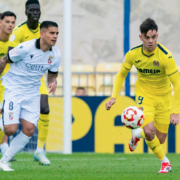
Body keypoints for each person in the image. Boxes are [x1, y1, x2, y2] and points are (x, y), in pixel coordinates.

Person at [106, 18, 180, 173]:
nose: (151, 41)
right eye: (147, 38)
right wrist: (113, 97)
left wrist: (176, 111)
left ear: (157, 36)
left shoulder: (166, 56)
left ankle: (135, 134)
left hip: (164, 98)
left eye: (154, 37)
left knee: (159, 139)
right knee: (149, 132)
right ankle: (165, 162)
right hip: (144, 96)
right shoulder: (133, 54)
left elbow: (177, 84)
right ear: (141, 38)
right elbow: (121, 75)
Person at [0, 21, 60, 171]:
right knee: (10, 130)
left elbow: (52, 75)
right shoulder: (25, 48)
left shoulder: (56, 54)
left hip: (33, 93)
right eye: (51, 33)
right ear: (42, 34)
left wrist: (53, 82)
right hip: (14, 89)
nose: (55, 36)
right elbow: (4, 59)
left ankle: (4, 160)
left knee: (29, 129)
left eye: (57, 33)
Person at [8, 0, 51, 165]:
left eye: (37, 10)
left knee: (45, 108)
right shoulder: (19, 31)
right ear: (26, 12)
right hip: (19, 80)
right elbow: (10, 53)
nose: (35, 12)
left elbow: (50, 51)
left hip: (37, 78)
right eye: (32, 10)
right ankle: (6, 148)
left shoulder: (44, 30)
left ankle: (40, 150)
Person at [0, 11, 16, 161]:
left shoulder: (14, 42)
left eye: (13, 22)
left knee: (4, 114)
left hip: (7, 84)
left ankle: (4, 146)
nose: (10, 25)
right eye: (7, 22)